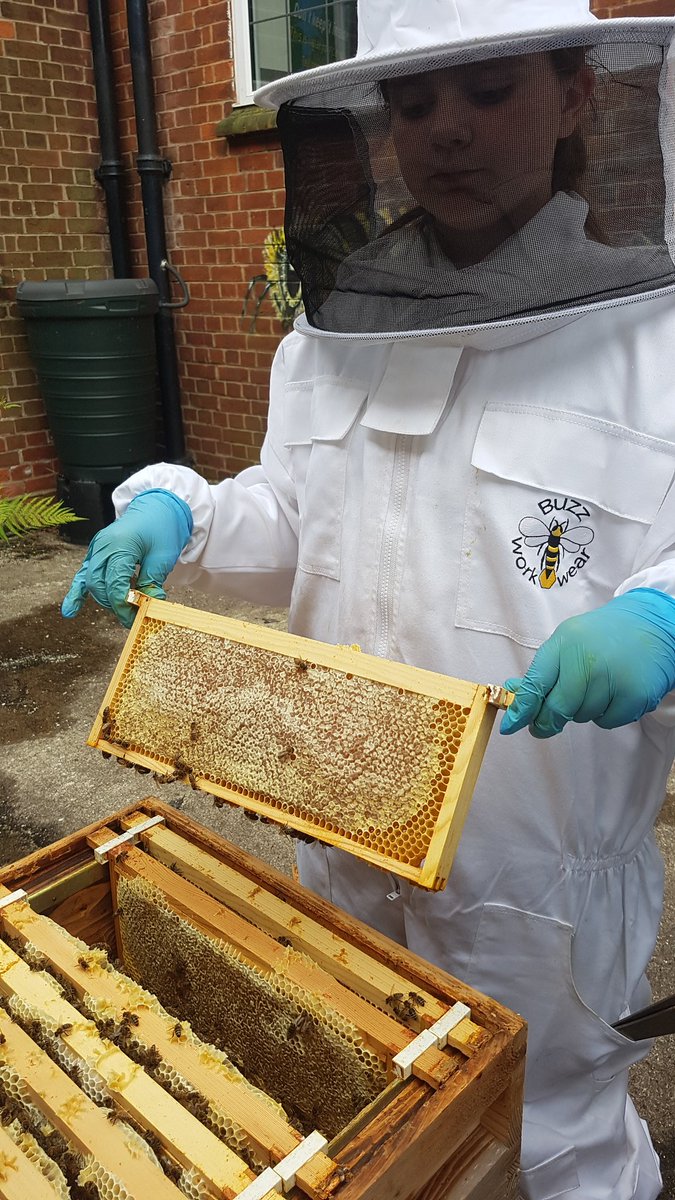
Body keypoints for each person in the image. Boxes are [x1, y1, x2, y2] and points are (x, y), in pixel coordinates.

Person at [62, 3, 675, 1196]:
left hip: (535, 872)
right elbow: (297, 517)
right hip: (339, 834)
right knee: (366, 1100)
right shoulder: (336, 328)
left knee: (548, 1135)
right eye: (412, 103)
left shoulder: (652, 336)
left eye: (488, 93)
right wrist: (183, 516)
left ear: (578, 93)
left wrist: (661, 616)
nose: (445, 131)